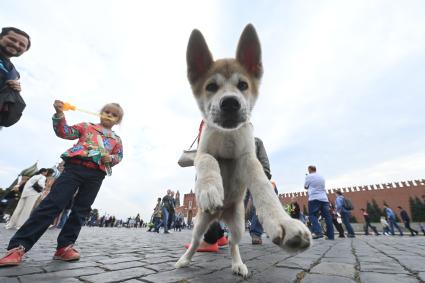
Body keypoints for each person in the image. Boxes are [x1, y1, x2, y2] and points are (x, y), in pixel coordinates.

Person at [0, 100, 124, 266]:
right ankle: (18, 247)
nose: (109, 115)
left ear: (118, 120)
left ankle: (64, 247)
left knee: (81, 210)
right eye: (107, 111)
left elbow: (119, 156)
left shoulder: (117, 139)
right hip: (75, 168)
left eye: (114, 114)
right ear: (100, 113)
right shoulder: (87, 126)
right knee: (52, 203)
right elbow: (65, 132)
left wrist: (112, 158)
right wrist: (59, 114)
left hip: (96, 174)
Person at [0, 27, 31, 127]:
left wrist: (13, 91)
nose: (16, 44)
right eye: (12, 39)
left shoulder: (14, 74)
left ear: (25, 50)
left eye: (22, 45)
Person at [304, 165, 334, 240]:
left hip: (314, 198)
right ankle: (331, 236)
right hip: (324, 199)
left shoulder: (309, 176)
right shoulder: (321, 177)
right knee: (328, 217)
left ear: (310, 170)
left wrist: (308, 178)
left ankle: (318, 232)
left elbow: (305, 186)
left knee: (312, 215)